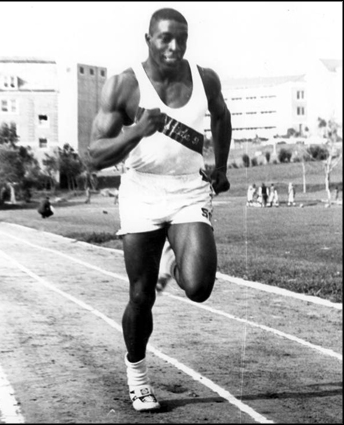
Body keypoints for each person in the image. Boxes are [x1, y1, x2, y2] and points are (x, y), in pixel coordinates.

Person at [89, 8, 232, 412]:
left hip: (188, 190)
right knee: (141, 294)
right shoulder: (124, 85)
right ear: (147, 38)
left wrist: (220, 168)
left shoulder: (204, 78)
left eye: (181, 39)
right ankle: (138, 377)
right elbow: (92, 157)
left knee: (199, 286)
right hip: (141, 194)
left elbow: (221, 116)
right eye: (165, 38)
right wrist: (136, 131)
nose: (174, 46)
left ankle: (176, 247)